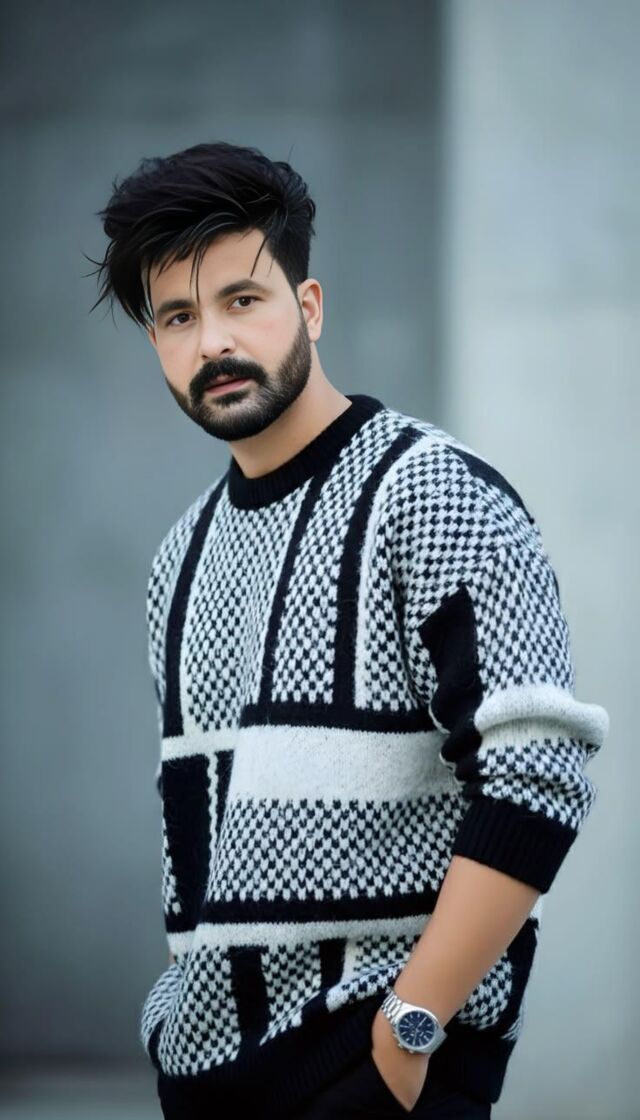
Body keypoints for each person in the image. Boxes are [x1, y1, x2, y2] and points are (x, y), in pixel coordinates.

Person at [91, 141, 609, 1118]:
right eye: (178, 317)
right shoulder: (180, 556)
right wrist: (177, 1026)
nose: (212, 342)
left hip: (377, 1073)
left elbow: (537, 777)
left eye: (242, 299)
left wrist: (412, 1027)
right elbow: (200, 834)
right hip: (209, 1080)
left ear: (310, 305)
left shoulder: (433, 495)